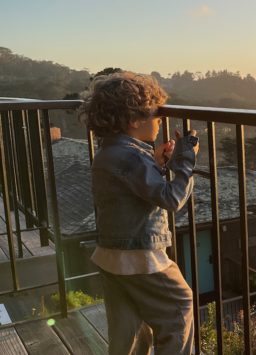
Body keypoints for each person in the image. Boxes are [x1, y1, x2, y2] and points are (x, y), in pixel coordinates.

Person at [79, 71, 199, 354]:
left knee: (128, 327)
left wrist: (155, 163)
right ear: (134, 120)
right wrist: (184, 160)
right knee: (179, 305)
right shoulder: (132, 157)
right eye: (157, 115)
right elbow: (170, 198)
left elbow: (134, 187)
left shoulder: (109, 152)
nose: (160, 121)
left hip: (110, 254)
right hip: (140, 255)